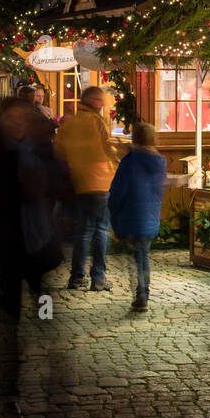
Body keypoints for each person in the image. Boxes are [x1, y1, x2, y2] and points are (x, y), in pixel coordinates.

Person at [0, 97, 67, 418]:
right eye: (12, 118)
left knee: (45, 315)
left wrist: (45, 182)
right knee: (7, 325)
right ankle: (7, 392)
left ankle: (53, 376)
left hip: (36, 245)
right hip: (4, 249)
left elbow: (61, 184)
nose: (18, 124)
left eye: (23, 118)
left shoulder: (38, 149)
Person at [54, 86, 122, 291]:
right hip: (99, 182)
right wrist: (118, 159)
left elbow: (59, 150)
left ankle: (76, 276)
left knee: (83, 231)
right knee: (101, 230)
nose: (102, 104)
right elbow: (108, 149)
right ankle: (98, 277)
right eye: (100, 100)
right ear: (91, 100)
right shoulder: (96, 122)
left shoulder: (71, 122)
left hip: (79, 182)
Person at [108, 122, 169, 312]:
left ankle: (141, 294)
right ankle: (143, 292)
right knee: (143, 256)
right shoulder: (160, 161)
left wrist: (114, 217)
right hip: (150, 217)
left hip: (130, 216)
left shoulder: (130, 162)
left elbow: (118, 191)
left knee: (137, 258)